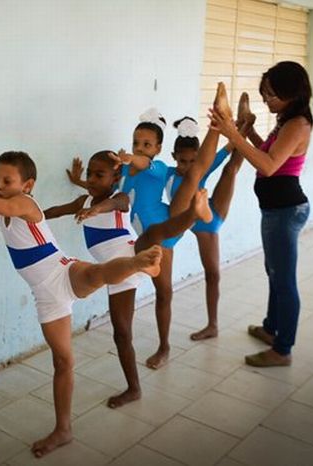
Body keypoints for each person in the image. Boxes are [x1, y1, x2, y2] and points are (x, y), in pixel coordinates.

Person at [0, 151, 162, 457]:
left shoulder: (25, 204)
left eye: (7, 180)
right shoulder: (3, 210)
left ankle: (137, 262)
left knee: (98, 273)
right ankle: (63, 430)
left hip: (61, 271)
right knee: (63, 362)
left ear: (28, 185)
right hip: (45, 295)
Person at [45, 151, 213, 408]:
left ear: (114, 180)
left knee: (153, 234)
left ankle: (193, 214)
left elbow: (115, 205)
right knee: (122, 334)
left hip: (130, 251)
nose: (91, 179)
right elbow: (56, 211)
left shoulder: (119, 197)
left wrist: (96, 210)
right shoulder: (84, 200)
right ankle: (134, 389)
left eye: (98, 175)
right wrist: (30, 215)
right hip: (115, 272)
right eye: (89, 174)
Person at [114, 85, 230, 368]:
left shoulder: (153, 167)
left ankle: (164, 348)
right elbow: (118, 193)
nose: (139, 149)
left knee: (163, 293)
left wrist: (136, 159)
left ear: (157, 150)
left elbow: (144, 162)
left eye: (146, 145)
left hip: (164, 231)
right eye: (136, 143)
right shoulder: (126, 172)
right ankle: (194, 210)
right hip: (159, 227)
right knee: (193, 177)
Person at [210, 61, 313, 367]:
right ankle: (271, 329)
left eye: (272, 95)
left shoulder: (297, 125)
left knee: (284, 281)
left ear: (292, 94)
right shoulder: (286, 120)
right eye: (265, 94)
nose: (267, 100)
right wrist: (249, 130)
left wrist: (232, 132)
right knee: (274, 272)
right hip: (276, 210)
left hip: (285, 211)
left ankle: (283, 350)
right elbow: (268, 154)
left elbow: (267, 166)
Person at [165, 110, 254, 341]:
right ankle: (212, 326)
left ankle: (246, 123)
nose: (187, 166)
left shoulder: (201, 168)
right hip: (192, 219)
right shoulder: (167, 175)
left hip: (210, 218)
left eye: (193, 161)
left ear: (199, 157)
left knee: (230, 170)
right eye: (182, 161)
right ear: (174, 156)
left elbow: (228, 149)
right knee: (212, 273)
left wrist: (241, 129)